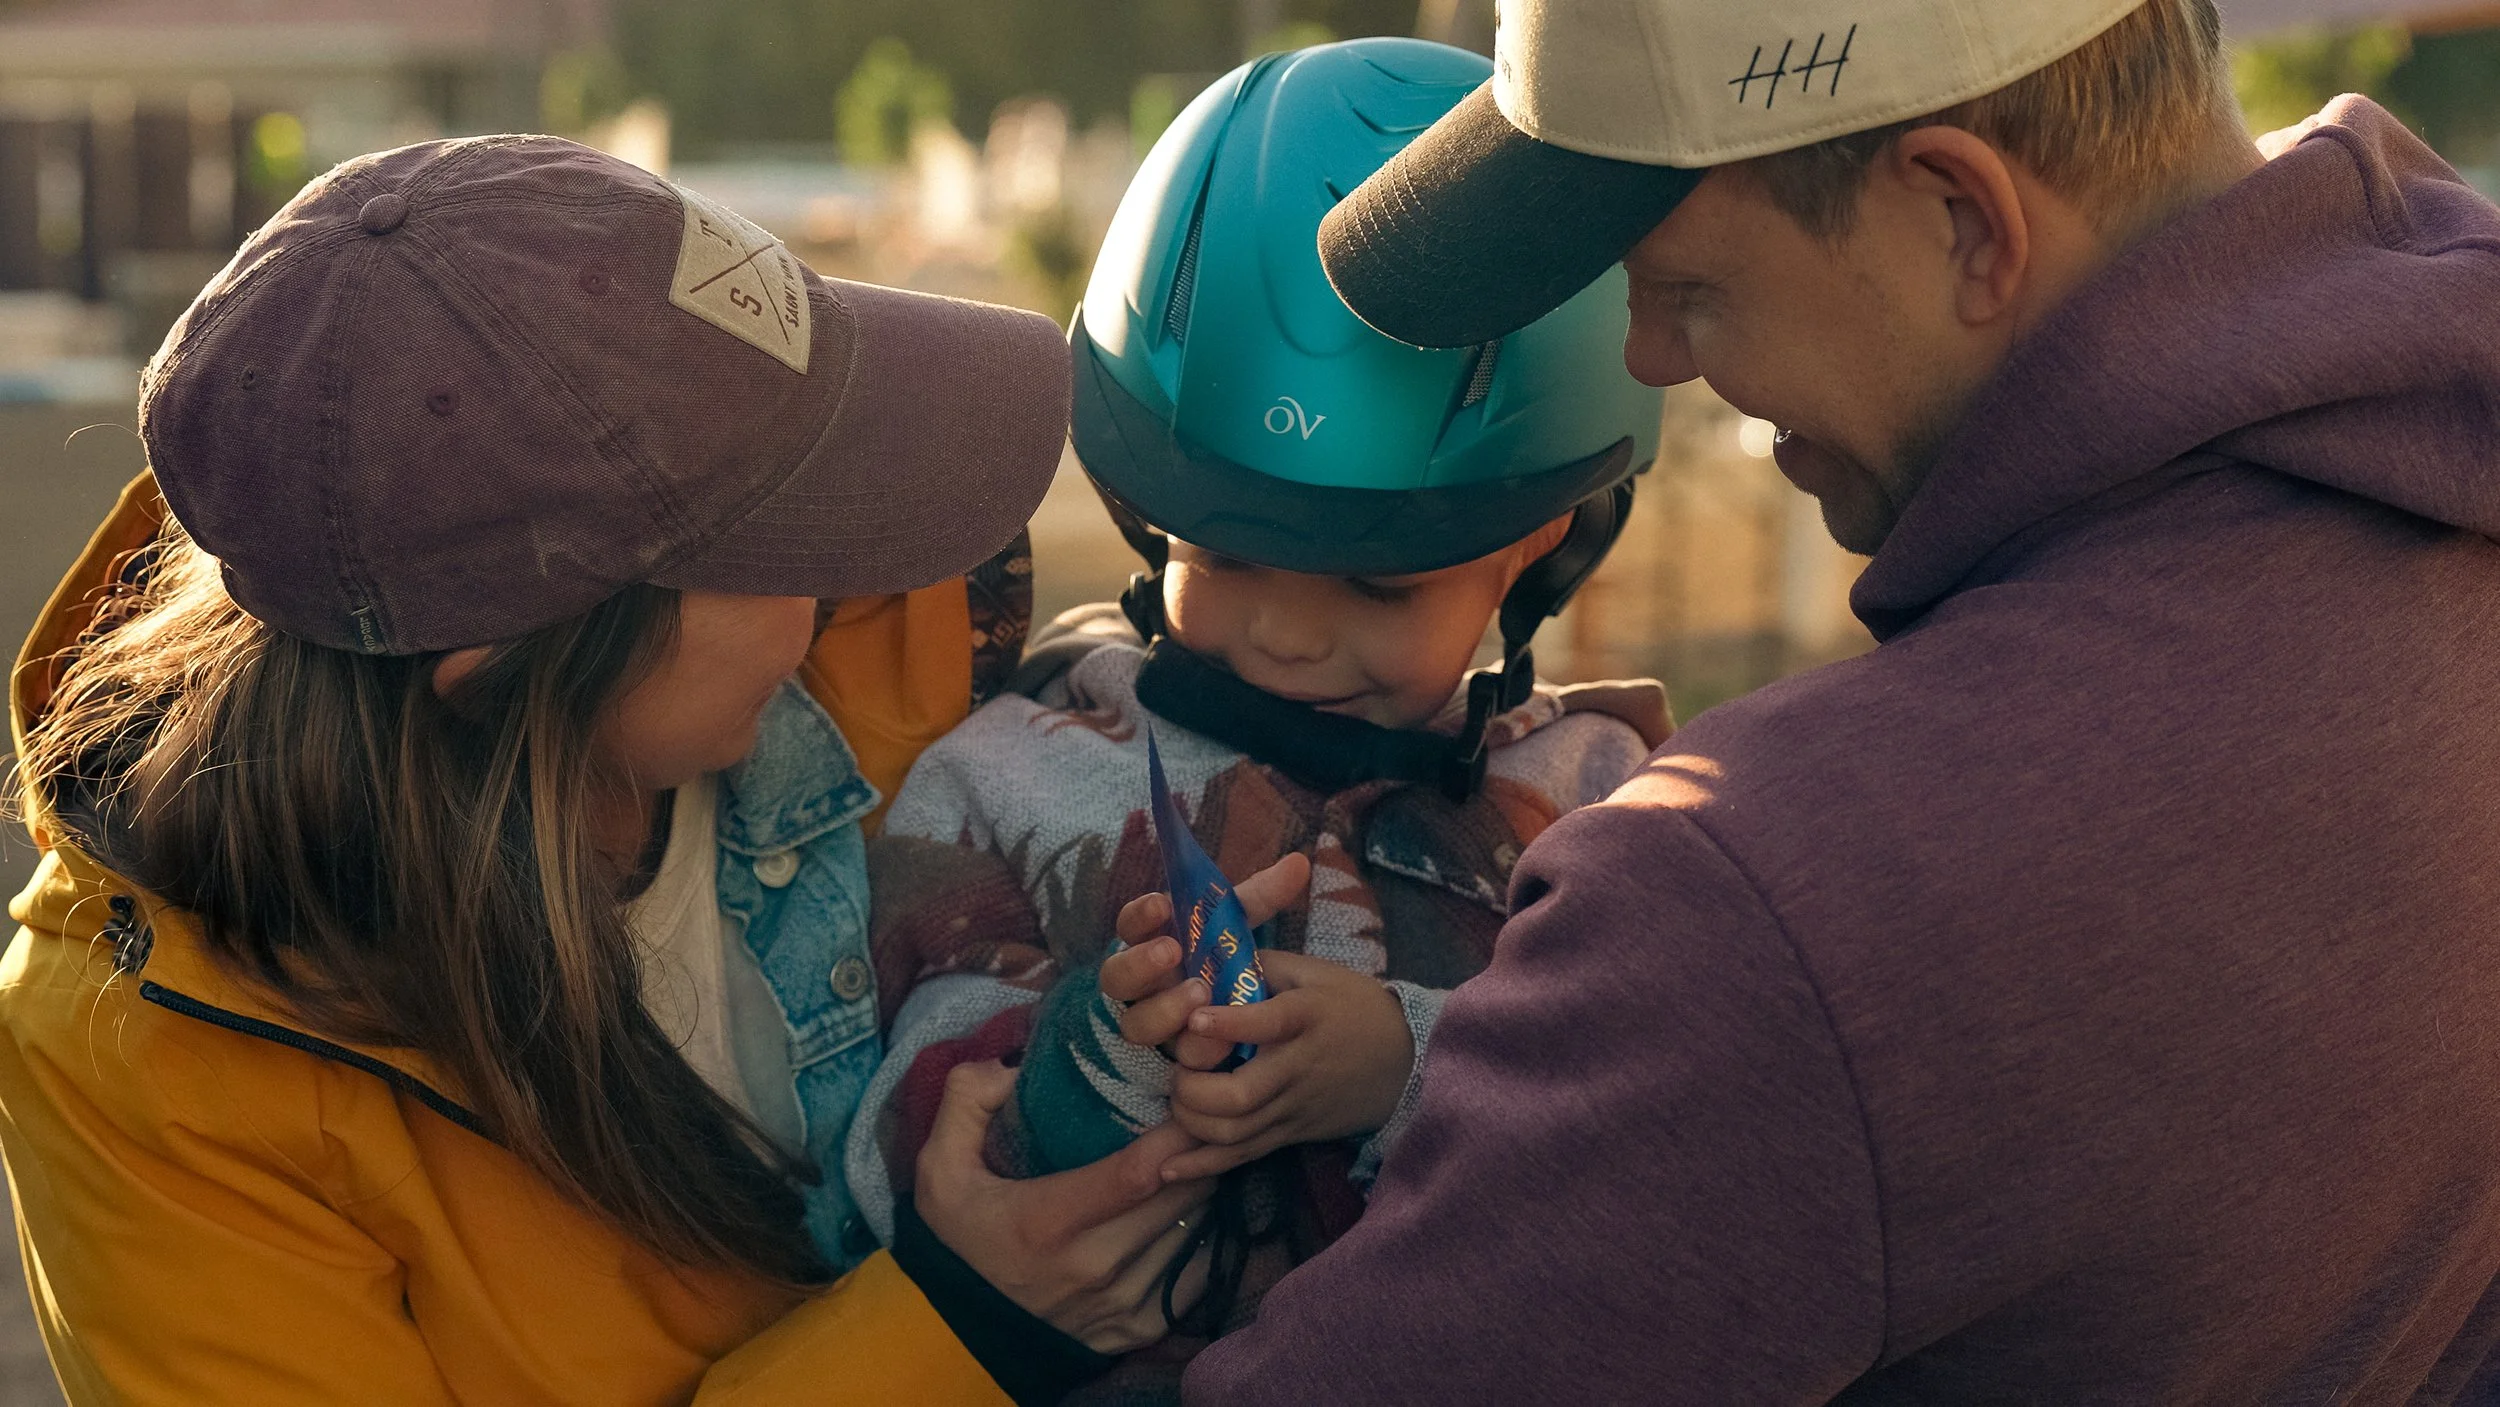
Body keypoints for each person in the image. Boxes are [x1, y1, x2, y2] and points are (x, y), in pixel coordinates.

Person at [1189, 0, 2500, 1400]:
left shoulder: (1771, 902)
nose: (1649, 357)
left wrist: (962, 1311)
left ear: (1960, 218)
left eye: (1686, 286)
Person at [0, 136, 1210, 1405]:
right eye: (783, 535)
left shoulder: (870, 658)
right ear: (510, 680)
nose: (854, 572)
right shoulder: (152, 1074)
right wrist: (960, 1332)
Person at [836, 40, 1672, 1399]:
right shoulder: (1009, 772)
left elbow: (1669, 1122)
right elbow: (890, 1143)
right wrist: (1096, 1056)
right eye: (1222, 557)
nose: (1287, 632)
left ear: (1537, 548)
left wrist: (1408, 1061)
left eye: (1380, 584)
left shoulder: (1599, 807)